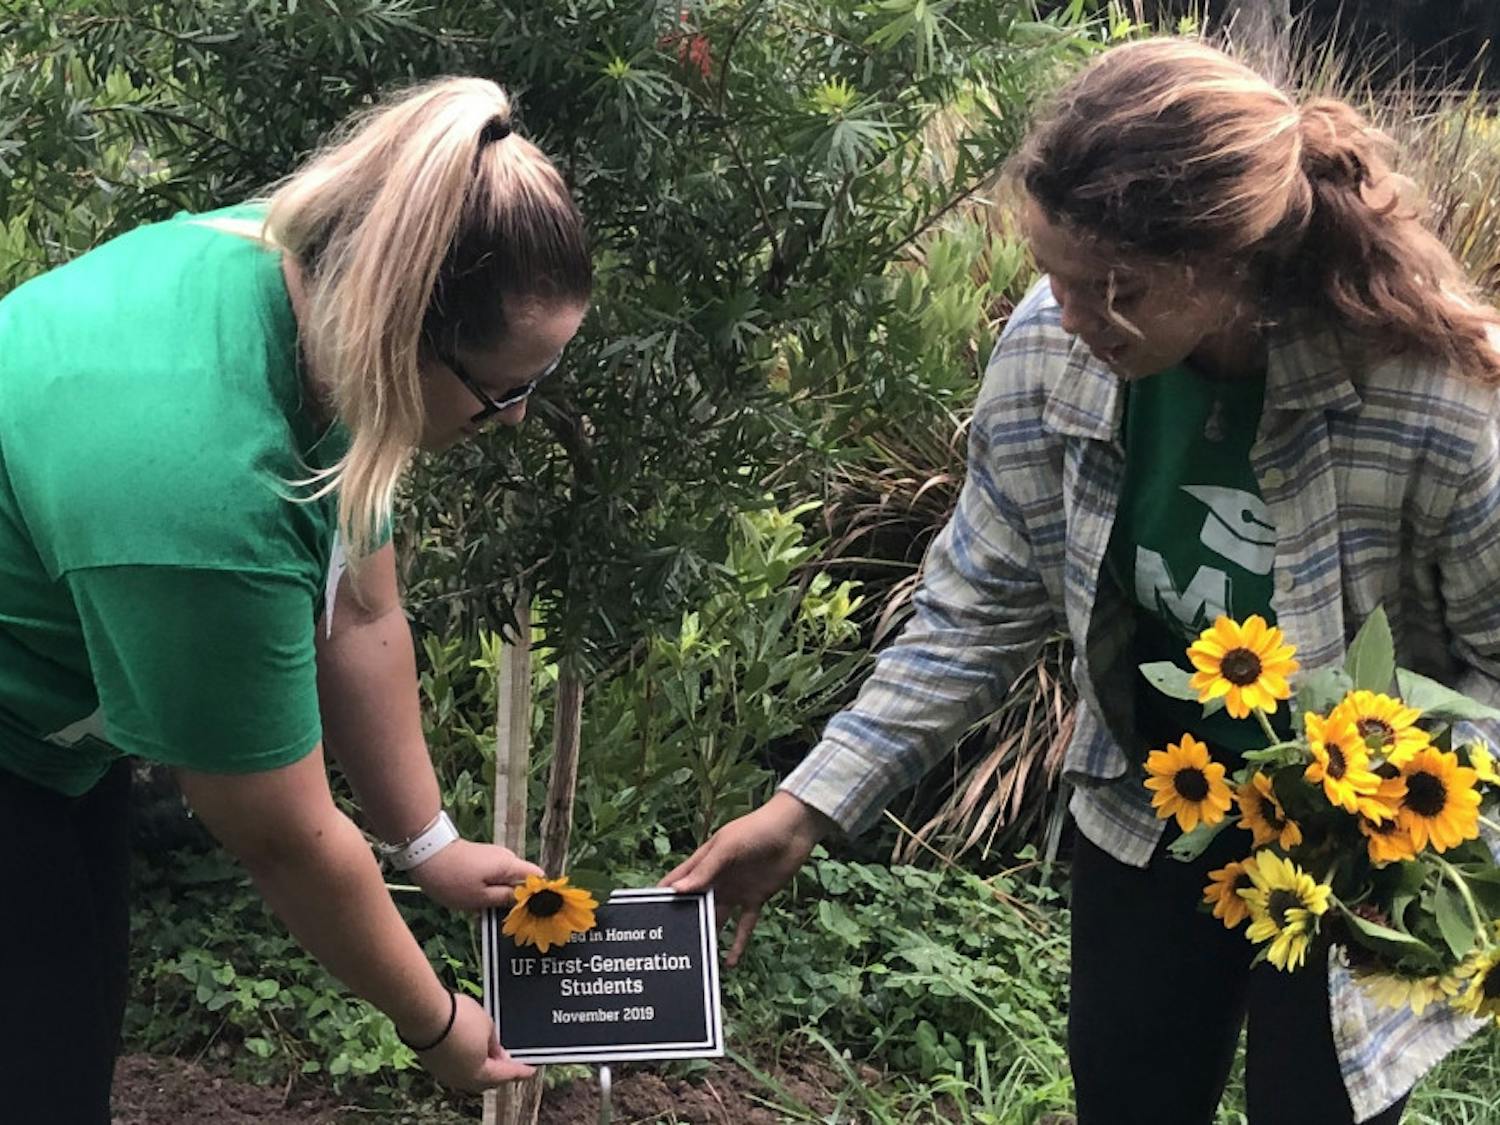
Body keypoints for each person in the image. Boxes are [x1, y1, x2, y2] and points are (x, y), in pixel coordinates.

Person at [666, 38, 1500, 1125]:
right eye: (1052, 274)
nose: (1064, 317)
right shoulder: (1052, 351)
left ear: (1230, 262)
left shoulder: (1432, 402)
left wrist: (1428, 803)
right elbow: (976, 605)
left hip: (1363, 843)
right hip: (1155, 803)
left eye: (1115, 291)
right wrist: (807, 807)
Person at [0, 76, 592, 1122]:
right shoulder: (201, 483)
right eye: (506, 388)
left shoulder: (311, 278)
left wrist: (430, 844)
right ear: (402, 324)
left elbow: (359, 613)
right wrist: (439, 1024)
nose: (513, 418)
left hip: (50, 732)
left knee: (70, 1018)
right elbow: (278, 830)